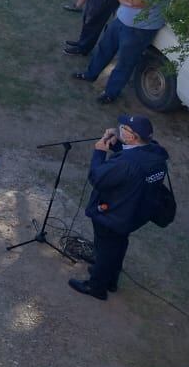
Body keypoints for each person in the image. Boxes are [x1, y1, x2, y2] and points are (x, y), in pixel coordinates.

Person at [66, 116, 170, 301]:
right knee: (118, 244)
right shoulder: (156, 153)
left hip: (114, 215)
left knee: (105, 248)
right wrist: (116, 144)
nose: (119, 129)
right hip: (135, 214)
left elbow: (98, 177)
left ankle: (96, 287)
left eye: (124, 128)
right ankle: (111, 279)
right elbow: (137, 157)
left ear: (133, 136)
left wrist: (99, 152)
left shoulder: (127, 163)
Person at [75, 0, 170, 104]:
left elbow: (139, 2)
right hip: (119, 22)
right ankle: (90, 74)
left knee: (125, 62)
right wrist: (128, 2)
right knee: (104, 49)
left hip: (138, 32)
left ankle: (110, 93)